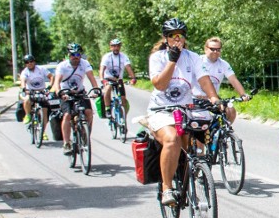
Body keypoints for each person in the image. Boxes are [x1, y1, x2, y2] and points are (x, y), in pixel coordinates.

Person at [147, 18, 220, 206]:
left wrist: (214, 98)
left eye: (180, 35)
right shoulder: (158, 58)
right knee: (172, 139)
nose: (177, 39)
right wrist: (172, 60)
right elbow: (160, 85)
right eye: (172, 36)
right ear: (166, 38)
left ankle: (191, 179)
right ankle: (167, 188)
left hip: (185, 110)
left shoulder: (193, 57)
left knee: (194, 145)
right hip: (160, 110)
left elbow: (204, 80)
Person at [52, 43, 100, 156]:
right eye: (73, 54)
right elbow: (57, 82)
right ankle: (66, 143)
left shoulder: (85, 64)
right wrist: (59, 92)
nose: (75, 57)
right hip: (66, 93)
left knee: (89, 112)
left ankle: (85, 135)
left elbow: (91, 77)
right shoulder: (62, 66)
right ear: (68, 55)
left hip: (79, 92)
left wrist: (96, 89)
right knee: (67, 115)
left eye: (78, 54)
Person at [192, 36, 251, 123]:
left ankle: (223, 133)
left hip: (213, 99)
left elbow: (234, 80)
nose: (215, 52)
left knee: (231, 111)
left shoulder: (223, 64)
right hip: (194, 98)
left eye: (218, 49)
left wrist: (243, 94)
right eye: (212, 49)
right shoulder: (197, 61)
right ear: (205, 49)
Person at [99, 38, 137, 119]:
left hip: (118, 80)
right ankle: (108, 109)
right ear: (111, 47)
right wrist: (102, 79)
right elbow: (102, 69)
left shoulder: (123, 56)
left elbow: (128, 67)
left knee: (123, 99)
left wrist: (133, 78)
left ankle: (123, 120)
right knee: (108, 88)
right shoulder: (107, 56)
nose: (116, 48)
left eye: (118, 46)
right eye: (114, 46)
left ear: (120, 47)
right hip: (108, 79)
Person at [19, 54, 54, 138]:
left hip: (42, 91)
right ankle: (27, 115)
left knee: (44, 111)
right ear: (25, 64)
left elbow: (51, 77)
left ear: (34, 62)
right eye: (27, 62)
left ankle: (43, 132)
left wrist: (49, 87)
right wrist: (24, 88)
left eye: (31, 61)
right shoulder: (25, 72)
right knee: (27, 99)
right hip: (31, 91)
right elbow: (23, 80)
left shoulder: (41, 69)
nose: (29, 63)